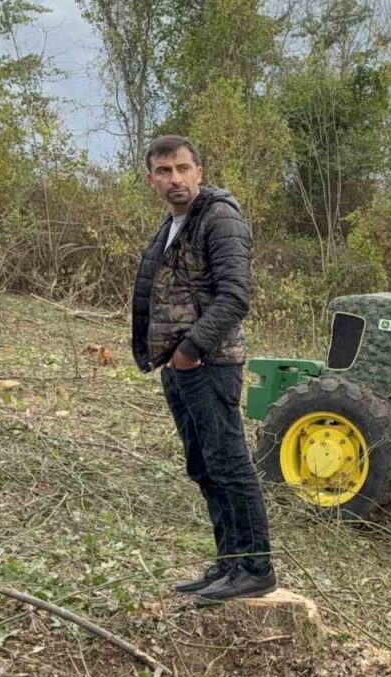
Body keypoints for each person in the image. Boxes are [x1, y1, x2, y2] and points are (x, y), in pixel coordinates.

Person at [130, 135, 276, 602]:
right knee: (205, 465)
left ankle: (255, 567)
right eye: (164, 171)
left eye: (182, 168)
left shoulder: (220, 218)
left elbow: (235, 296)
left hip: (209, 362)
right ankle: (230, 564)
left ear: (199, 171)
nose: (175, 179)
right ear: (151, 178)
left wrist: (190, 351)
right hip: (179, 365)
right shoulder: (173, 223)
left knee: (229, 464)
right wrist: (170, 359)